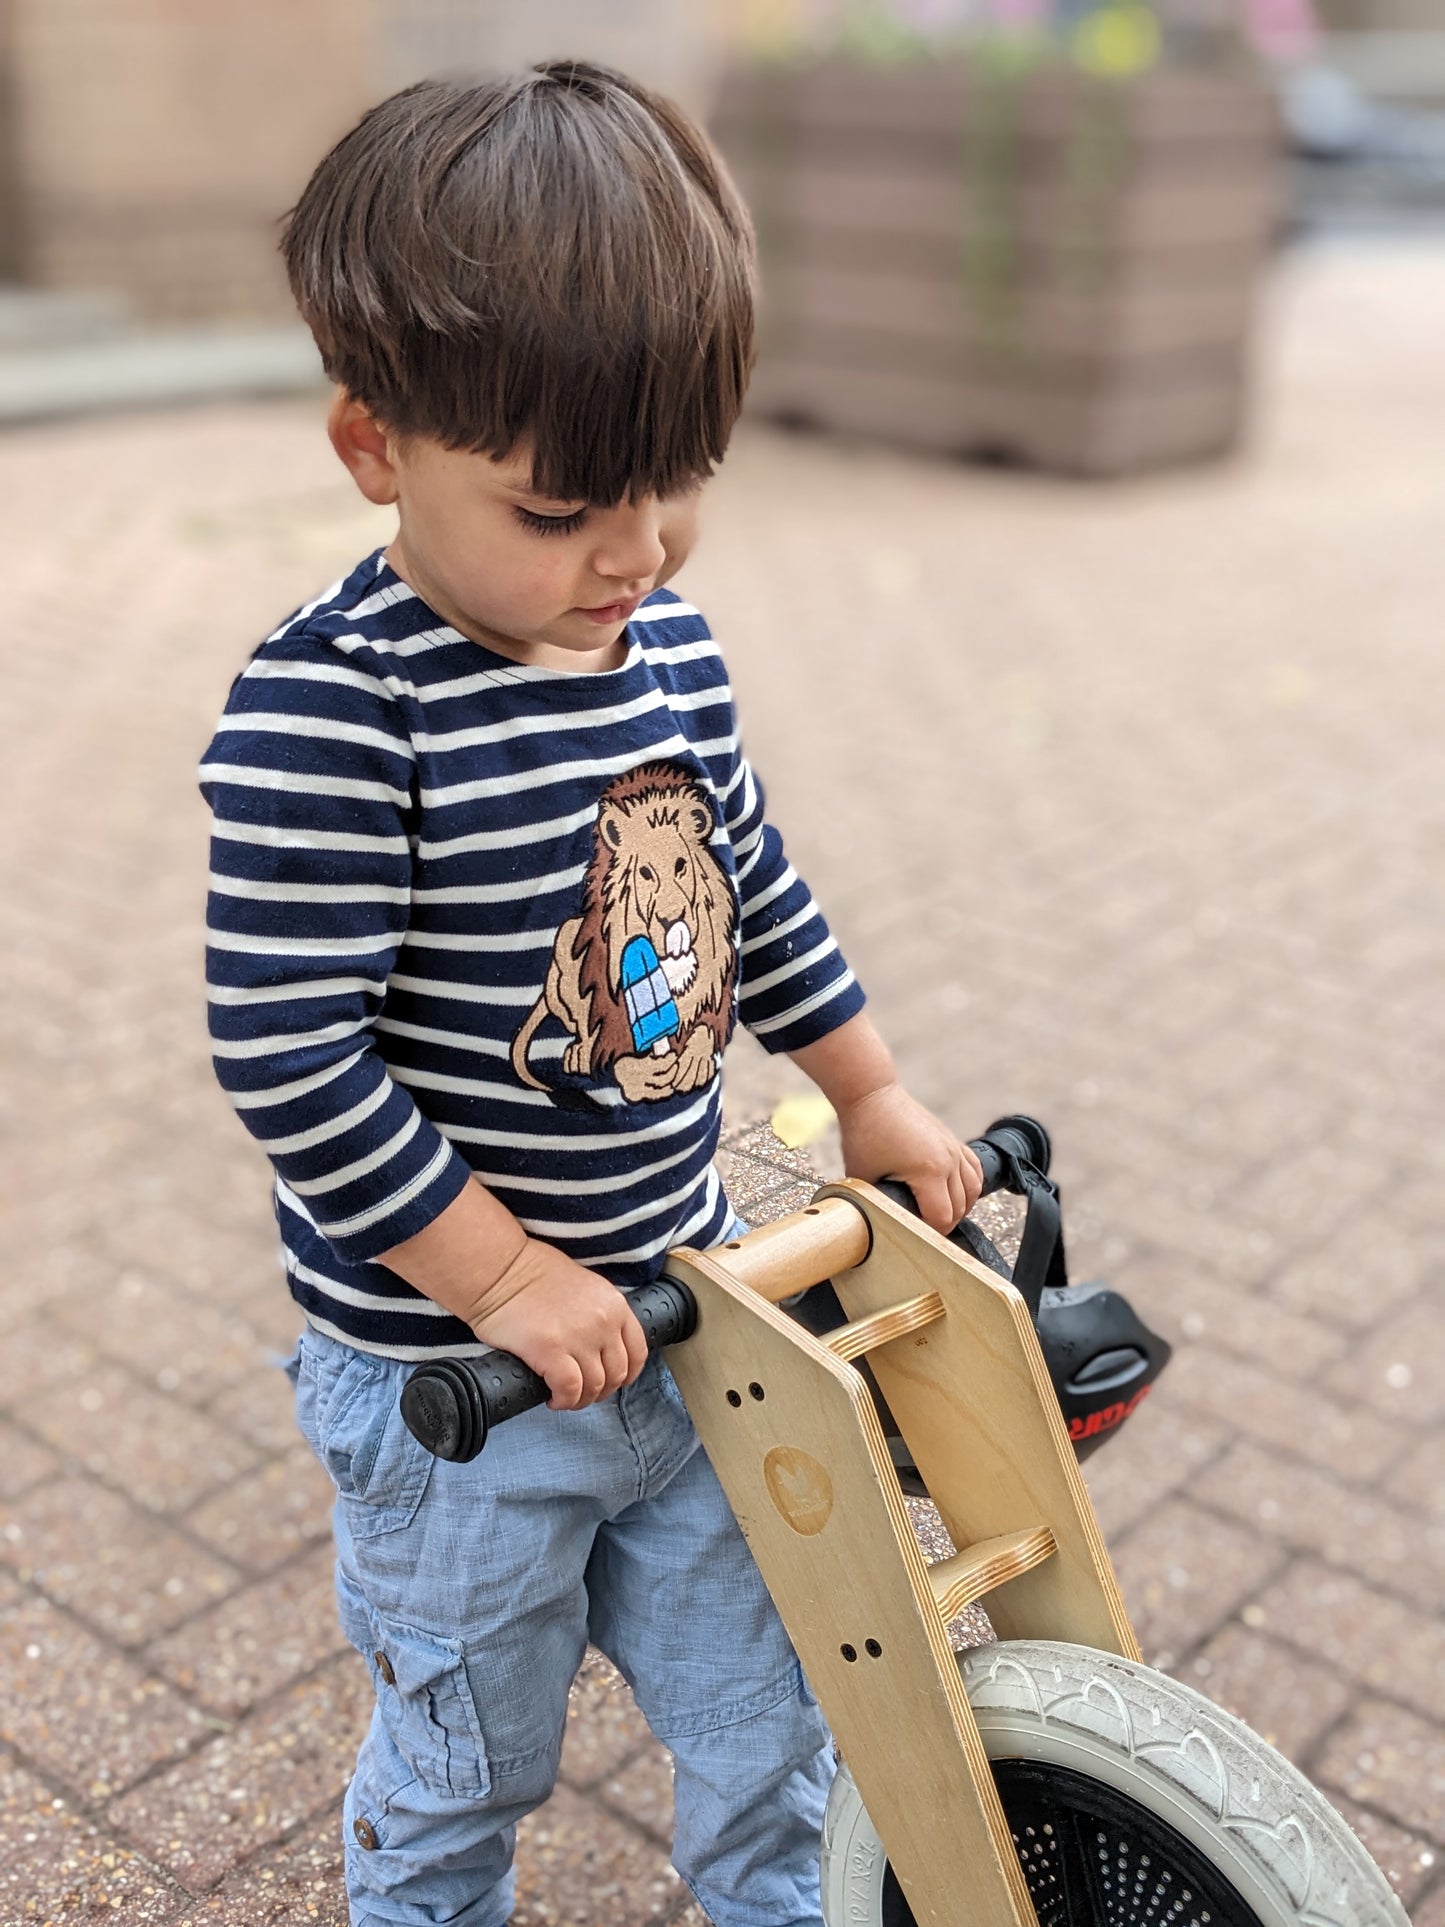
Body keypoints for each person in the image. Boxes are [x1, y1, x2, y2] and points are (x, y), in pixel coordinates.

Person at [201, 61, 983, 1927]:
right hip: (459, 1386)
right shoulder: (337, 710)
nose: (633, 551)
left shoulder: (659, 647)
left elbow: (749, 884)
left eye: (676, 483)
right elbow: (285, 1054)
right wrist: (504, 1280)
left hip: (691, 1320)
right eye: (562, 507)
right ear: (372, 446)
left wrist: (864, 1090)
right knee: (470, 1756)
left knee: (771, 1715)